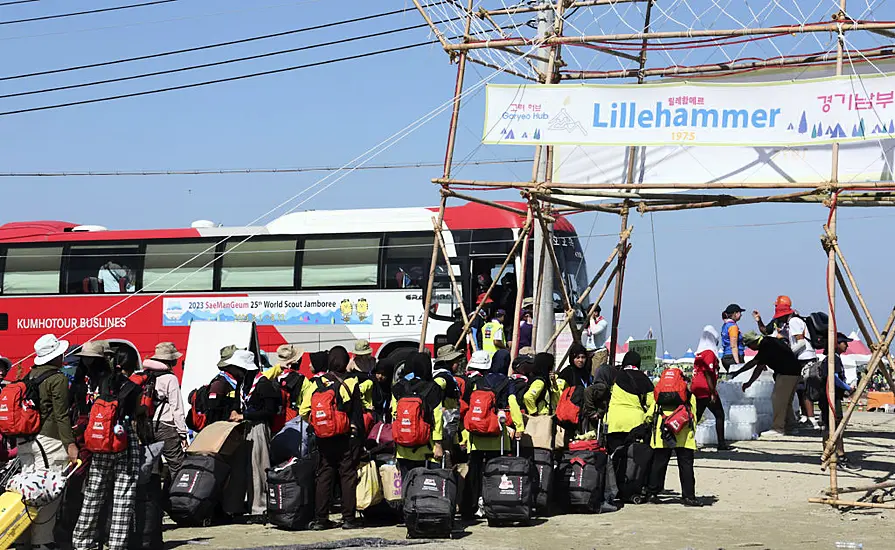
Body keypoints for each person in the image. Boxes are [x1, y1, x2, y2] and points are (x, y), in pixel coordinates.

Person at [72, 342, 141, 550]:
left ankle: (82, 542)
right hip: (124, 441)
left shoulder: (83, 382)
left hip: (97, 440)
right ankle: (116, 545)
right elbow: (138, 414)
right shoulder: (131, 386)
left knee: (93, 495)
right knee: (123, 496)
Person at [17, 334, 78, 550]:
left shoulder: (28, 376)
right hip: (49, 442)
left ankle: (23, 539)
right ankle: (43, 542)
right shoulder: (57, 379)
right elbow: (61, 416)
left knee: (27, 491)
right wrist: (70, 444)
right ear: (55, 356)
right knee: (47, 492)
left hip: (26, 441)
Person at [300, 346, 364, 531]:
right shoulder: (352, 381)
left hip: (323, 437)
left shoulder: (316, 382)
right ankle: (348, 519)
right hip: (346, 437)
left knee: (324, 474)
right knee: (347, 475)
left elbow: (304, 411)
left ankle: (321, 519)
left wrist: (319, 424)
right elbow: (357, 412)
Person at [458, 350, 525, 520]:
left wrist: (464, 436)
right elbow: (512, 403)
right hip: (497, 435)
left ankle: (469, 507)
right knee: (495, 472)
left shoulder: (478, 381)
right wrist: (519, 426)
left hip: (476, 436)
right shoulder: (507, 382)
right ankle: (493, 503)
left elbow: (470, 408)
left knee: (474, 471)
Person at [224, 349, 280, 522]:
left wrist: (245, 416)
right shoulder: (242, 384)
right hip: (243, 427)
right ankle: (238, 505)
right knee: (240, 467)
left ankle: (260, 507)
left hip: (258, 427)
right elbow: (237, 402)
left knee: (259, 466)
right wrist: (235, 410)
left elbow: (270, 411)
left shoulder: (263, 384)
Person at [645, 366, 701, 507]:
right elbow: (694, 416)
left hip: (662, 434)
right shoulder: (688, 395)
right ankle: (688, 497)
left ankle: (652, 493)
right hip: (684, 435)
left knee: (659, 464)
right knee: (686, 465)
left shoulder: (659, 393)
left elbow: (650, 415)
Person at [733, 331, 802, 438]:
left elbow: (756, 364)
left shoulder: (766, 346)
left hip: (787, 373)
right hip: (794, 372)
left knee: (778, 399)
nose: (750, 348)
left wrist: (738, 372)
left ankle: (778, 428)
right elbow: (759, 365)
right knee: (786, 401)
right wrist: (749, 382)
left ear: (753, 342)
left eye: (749, 346)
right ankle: (791, 426)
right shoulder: (769, 342)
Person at [391, 352, 444, 481]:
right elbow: (437, 417)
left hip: (402, 448)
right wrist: (438, 444)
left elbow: (394, 414)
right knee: (425, 488)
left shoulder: (398, 387)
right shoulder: (433, 388)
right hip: (426, 449)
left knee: (407, 484)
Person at [769, 297, 820, 429]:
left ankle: (811, 419)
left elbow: (801, 342)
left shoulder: (794, 322)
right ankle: (807, 417)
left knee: (805, 390)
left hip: (805, 357)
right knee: (801, 390)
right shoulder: (793, 322)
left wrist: (789, 353)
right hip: (804, 357)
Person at [145, 342, 188, 478]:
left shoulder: (146, 375)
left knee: (153, 465)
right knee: (177, 465)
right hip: (166, 426)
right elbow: (177, 408)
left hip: (147, 424)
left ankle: (154, 497)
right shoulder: (170, 378)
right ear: (170, 360)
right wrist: (182, 433)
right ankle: (177, 496)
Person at [605, 351, 655, 454]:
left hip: (614, 422)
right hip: (636, 423)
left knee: (615, 458)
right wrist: (648, 418)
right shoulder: (644, 379)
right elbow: (653, 403)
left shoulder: (615, 377)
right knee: (633, 459)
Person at [691, 326, 729, 450]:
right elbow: (708, 372)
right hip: (706, 388)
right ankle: (721, 443)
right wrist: (712, 392)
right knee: (719, 415)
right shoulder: (709, 353)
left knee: (696, 416)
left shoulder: (699, 353)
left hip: (696, 387)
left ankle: (689, 442)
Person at [821, 333, 855, 468]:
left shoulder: (833, 358)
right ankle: (838, 456)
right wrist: (848, 388)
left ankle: (831, 455)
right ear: (837, 344)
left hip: (829, 396)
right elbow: (833, 377)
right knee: (836, 428)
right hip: (830, 397)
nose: (846, 345)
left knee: (830, 427)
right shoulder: (833, 359)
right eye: (844, 342)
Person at [720, 304, 747, 370]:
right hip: (733, 357)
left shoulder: (726, 325)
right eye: (740, 313)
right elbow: (733, 346)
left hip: (726, 356)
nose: (741, 315)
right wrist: (738, 364)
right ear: (735, 313)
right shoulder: (733, 327)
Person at [370, 358, 395, 423]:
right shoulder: (371, 383)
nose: (380, 376)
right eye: (378, 373)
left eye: (383, 374)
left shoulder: (392, 386)